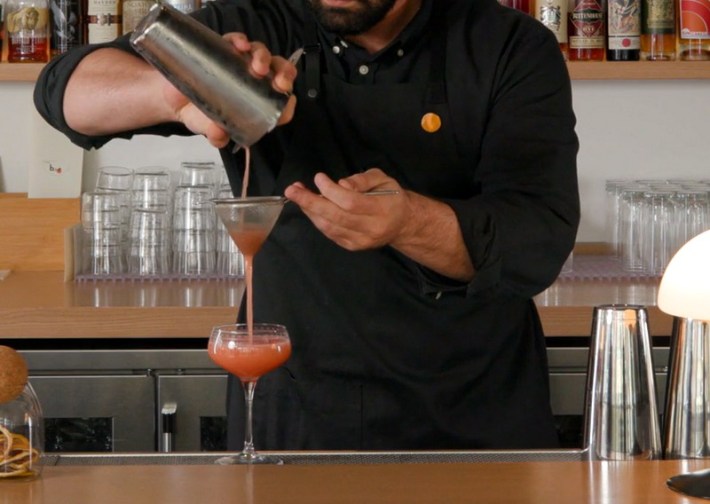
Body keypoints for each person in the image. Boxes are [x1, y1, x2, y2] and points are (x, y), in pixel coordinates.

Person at [34, 0, 580, 450]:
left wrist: (409, 221)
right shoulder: (255, 26)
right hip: (296, 410)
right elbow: (63, 91)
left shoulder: (510, 46)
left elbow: (537, 242)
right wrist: (177, 93)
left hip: (474, 415)